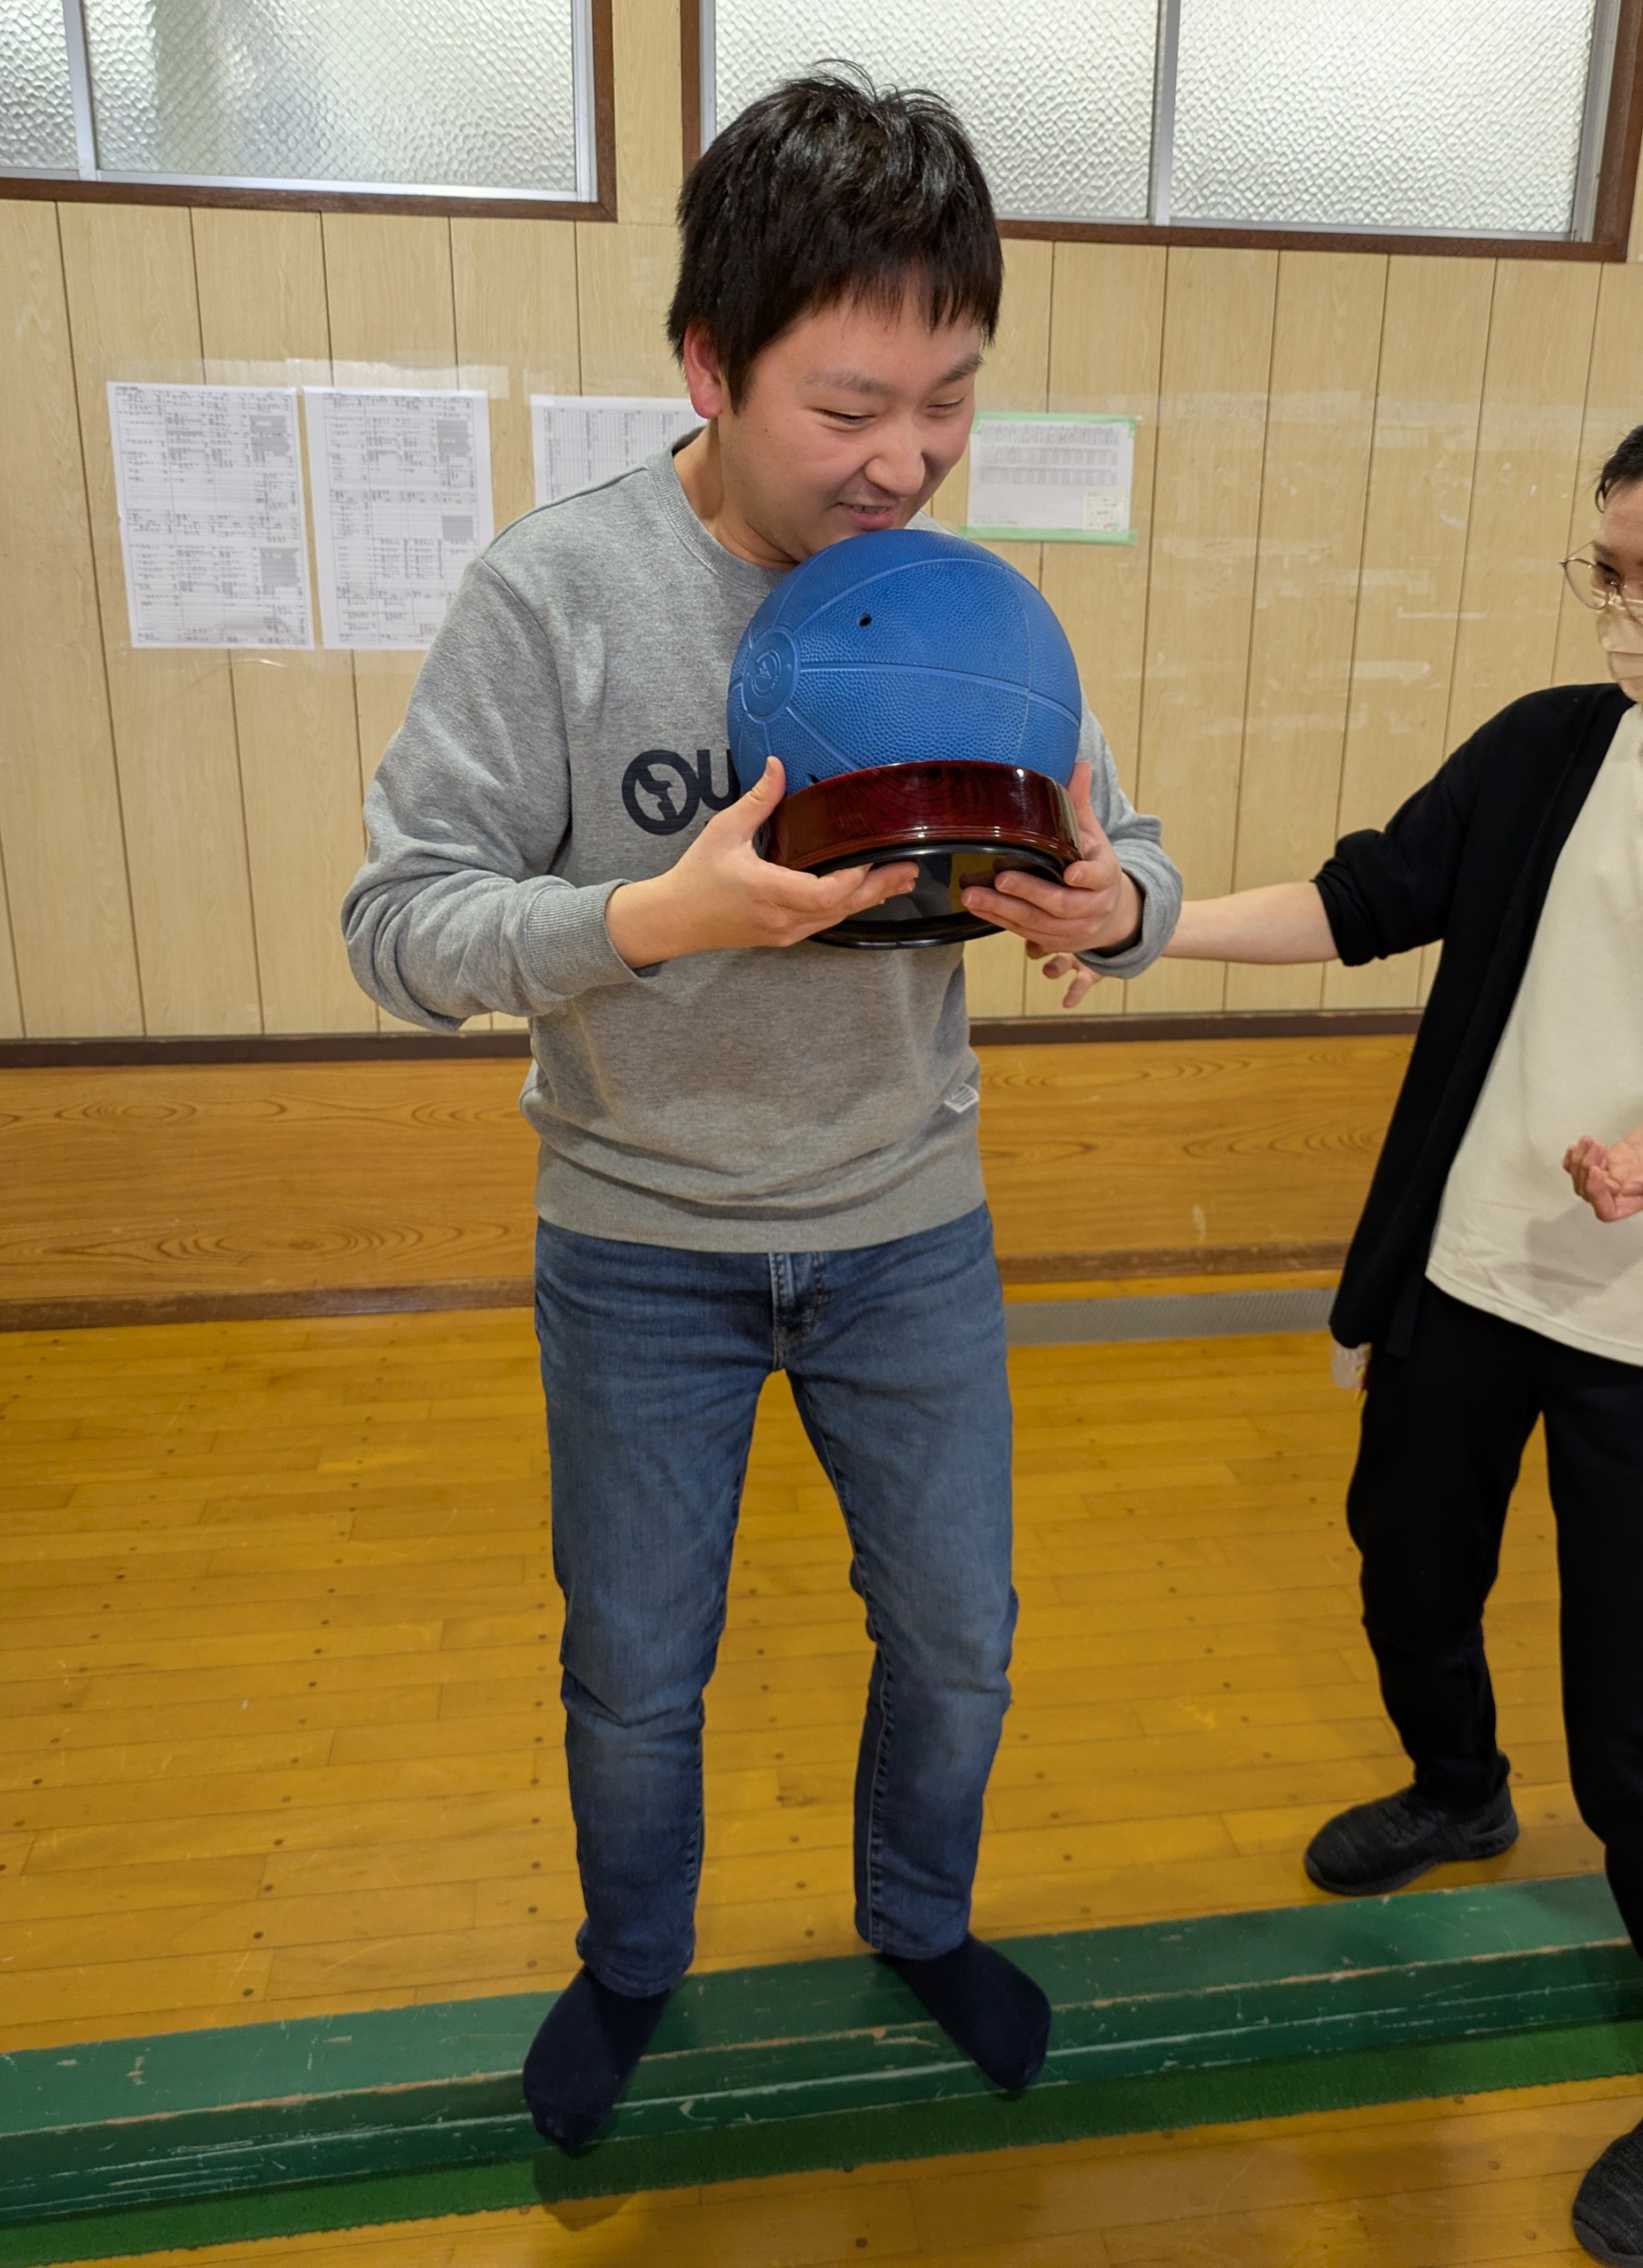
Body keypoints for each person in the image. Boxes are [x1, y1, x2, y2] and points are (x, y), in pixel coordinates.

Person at [343, 71, 1180, 2151]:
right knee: (636, 1668)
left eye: (951, 399)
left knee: (961, 1640)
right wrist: (658, 913)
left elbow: (1133, 848)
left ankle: (921, 1918)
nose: (907, 458)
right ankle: (634, 1959)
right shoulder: (555, 595)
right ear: (710, 365)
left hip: (910, 1226)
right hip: (640, 1246)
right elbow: (399, 925)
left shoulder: (961, 614)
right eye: (850, 404)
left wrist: (1116, 903)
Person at [1040, 391, 1643, 2268]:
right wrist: (1138, 919)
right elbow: (1364, 899)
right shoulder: (1558, 747)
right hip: (1475, 1272)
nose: (1623, 616)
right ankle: (1458, 1785)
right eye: (1607, 572)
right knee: (1407, 1562)